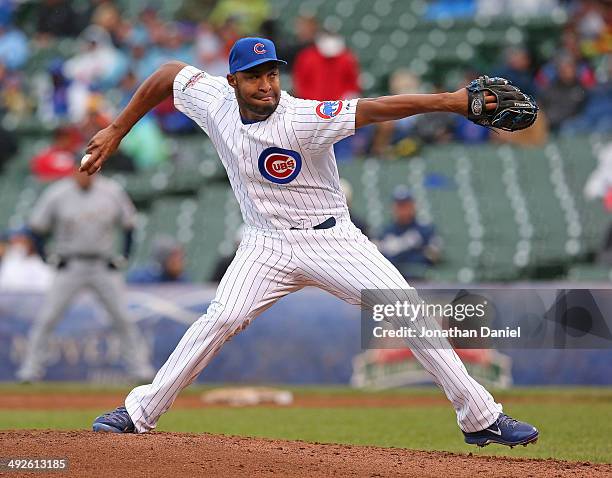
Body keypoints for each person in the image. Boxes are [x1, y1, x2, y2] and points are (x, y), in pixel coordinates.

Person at [85, 37, 538, 447]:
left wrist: (451, 101)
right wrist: (117, 129)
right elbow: (167, 73)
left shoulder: (301, 117)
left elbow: (375, 108)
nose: (266, 84)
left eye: (272, 73)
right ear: (233, 81)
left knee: (406, 310)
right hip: (265, 244)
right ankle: (138, 413)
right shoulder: (214, 101)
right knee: (220, 317)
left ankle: (480, 417)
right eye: (255, 76)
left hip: (332, 240)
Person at [16, 163, 155, 383]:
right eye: (80, 169)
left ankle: (140, 369)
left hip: (102, 265)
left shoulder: (111, 191)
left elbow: (129, 225)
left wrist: (124, 256)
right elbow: (36, 229)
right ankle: (30, 371)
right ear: (72, 171)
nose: (85, 175)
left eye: (90, 169)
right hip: (70, 264)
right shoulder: (58, 193)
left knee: (123, 318)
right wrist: (46, 258)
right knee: (47, 318)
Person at [376, 186, 441, 280]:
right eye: (399, 205)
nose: (403, 210)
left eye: (406, 205)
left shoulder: (426, 230)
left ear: (413, 206)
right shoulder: (385, 232)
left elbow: (433, 256)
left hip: (422, 283)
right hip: (393, 281)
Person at [0, 227, 53, 292]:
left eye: (20, 239)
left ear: (32, 241)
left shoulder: (43, 265)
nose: (16, 242)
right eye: (14, 239)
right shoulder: (9, 262)